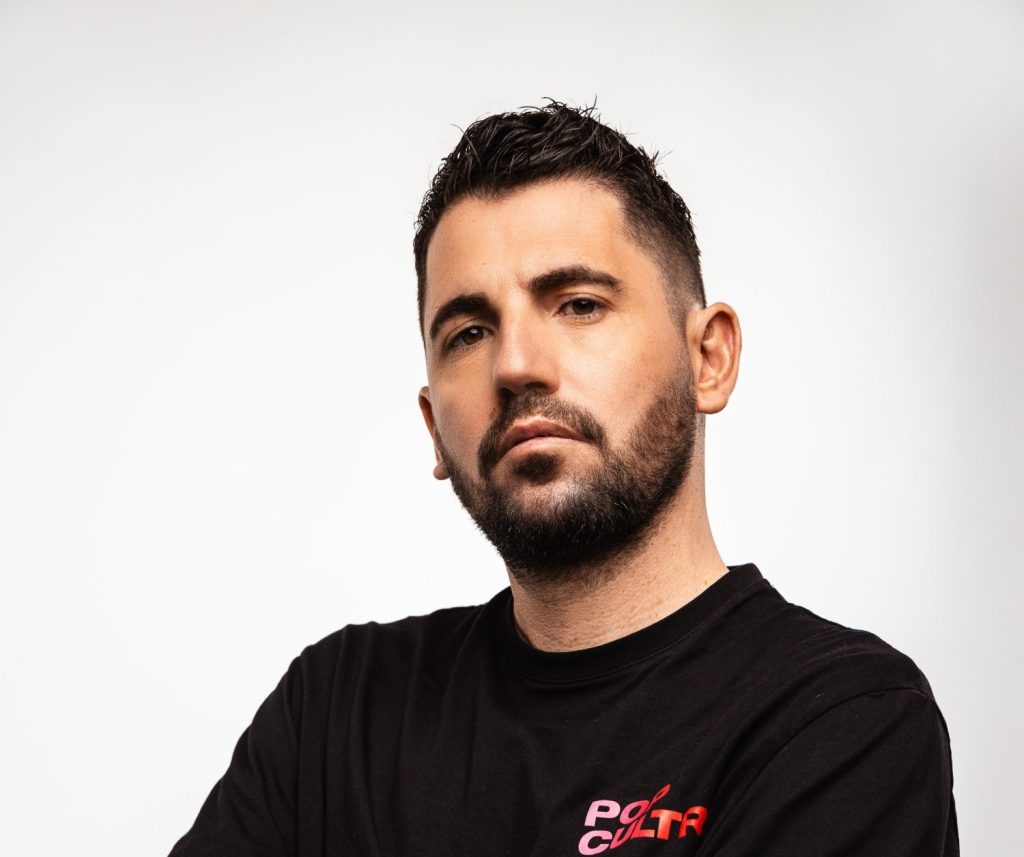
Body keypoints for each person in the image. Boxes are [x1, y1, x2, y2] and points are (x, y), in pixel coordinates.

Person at [170, 102, 958, 855]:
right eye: (469, 332)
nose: (516, 364)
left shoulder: (839, 722)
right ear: (434, 427)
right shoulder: (337, 714)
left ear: (708, 358)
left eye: (577, 304)